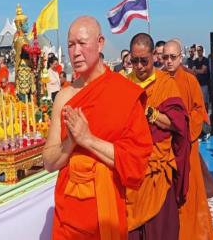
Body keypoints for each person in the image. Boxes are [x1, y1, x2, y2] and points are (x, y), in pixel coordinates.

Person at [44, 16, 152, 240]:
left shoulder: (124, 93)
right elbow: (49, 162)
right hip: (69, 214)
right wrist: (70, 142)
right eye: (71, 45)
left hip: (106, 211)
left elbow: (136, 163)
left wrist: (88, 139)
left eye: (82, 43)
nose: (75, 52)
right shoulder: (64, 97)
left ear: (100, 43)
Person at [126, 33, 190, 240]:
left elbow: (177, 124)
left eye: (143, 60)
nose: (139, 66)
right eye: (134, 61)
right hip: (131, 167)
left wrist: (150, 113)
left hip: (157, 167)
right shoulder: (124, 85)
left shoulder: (166, 84)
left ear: (154, 56)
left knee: (161, 230)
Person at [163, 39, 213, 240]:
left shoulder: (189, 80)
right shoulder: (158, 79)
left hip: (186, 145)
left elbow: (198, 111)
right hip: (165, 146)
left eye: (173, 57)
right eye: (165, 57)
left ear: (181, 57)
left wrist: (183, 130)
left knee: (191, 194)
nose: (168, 61)